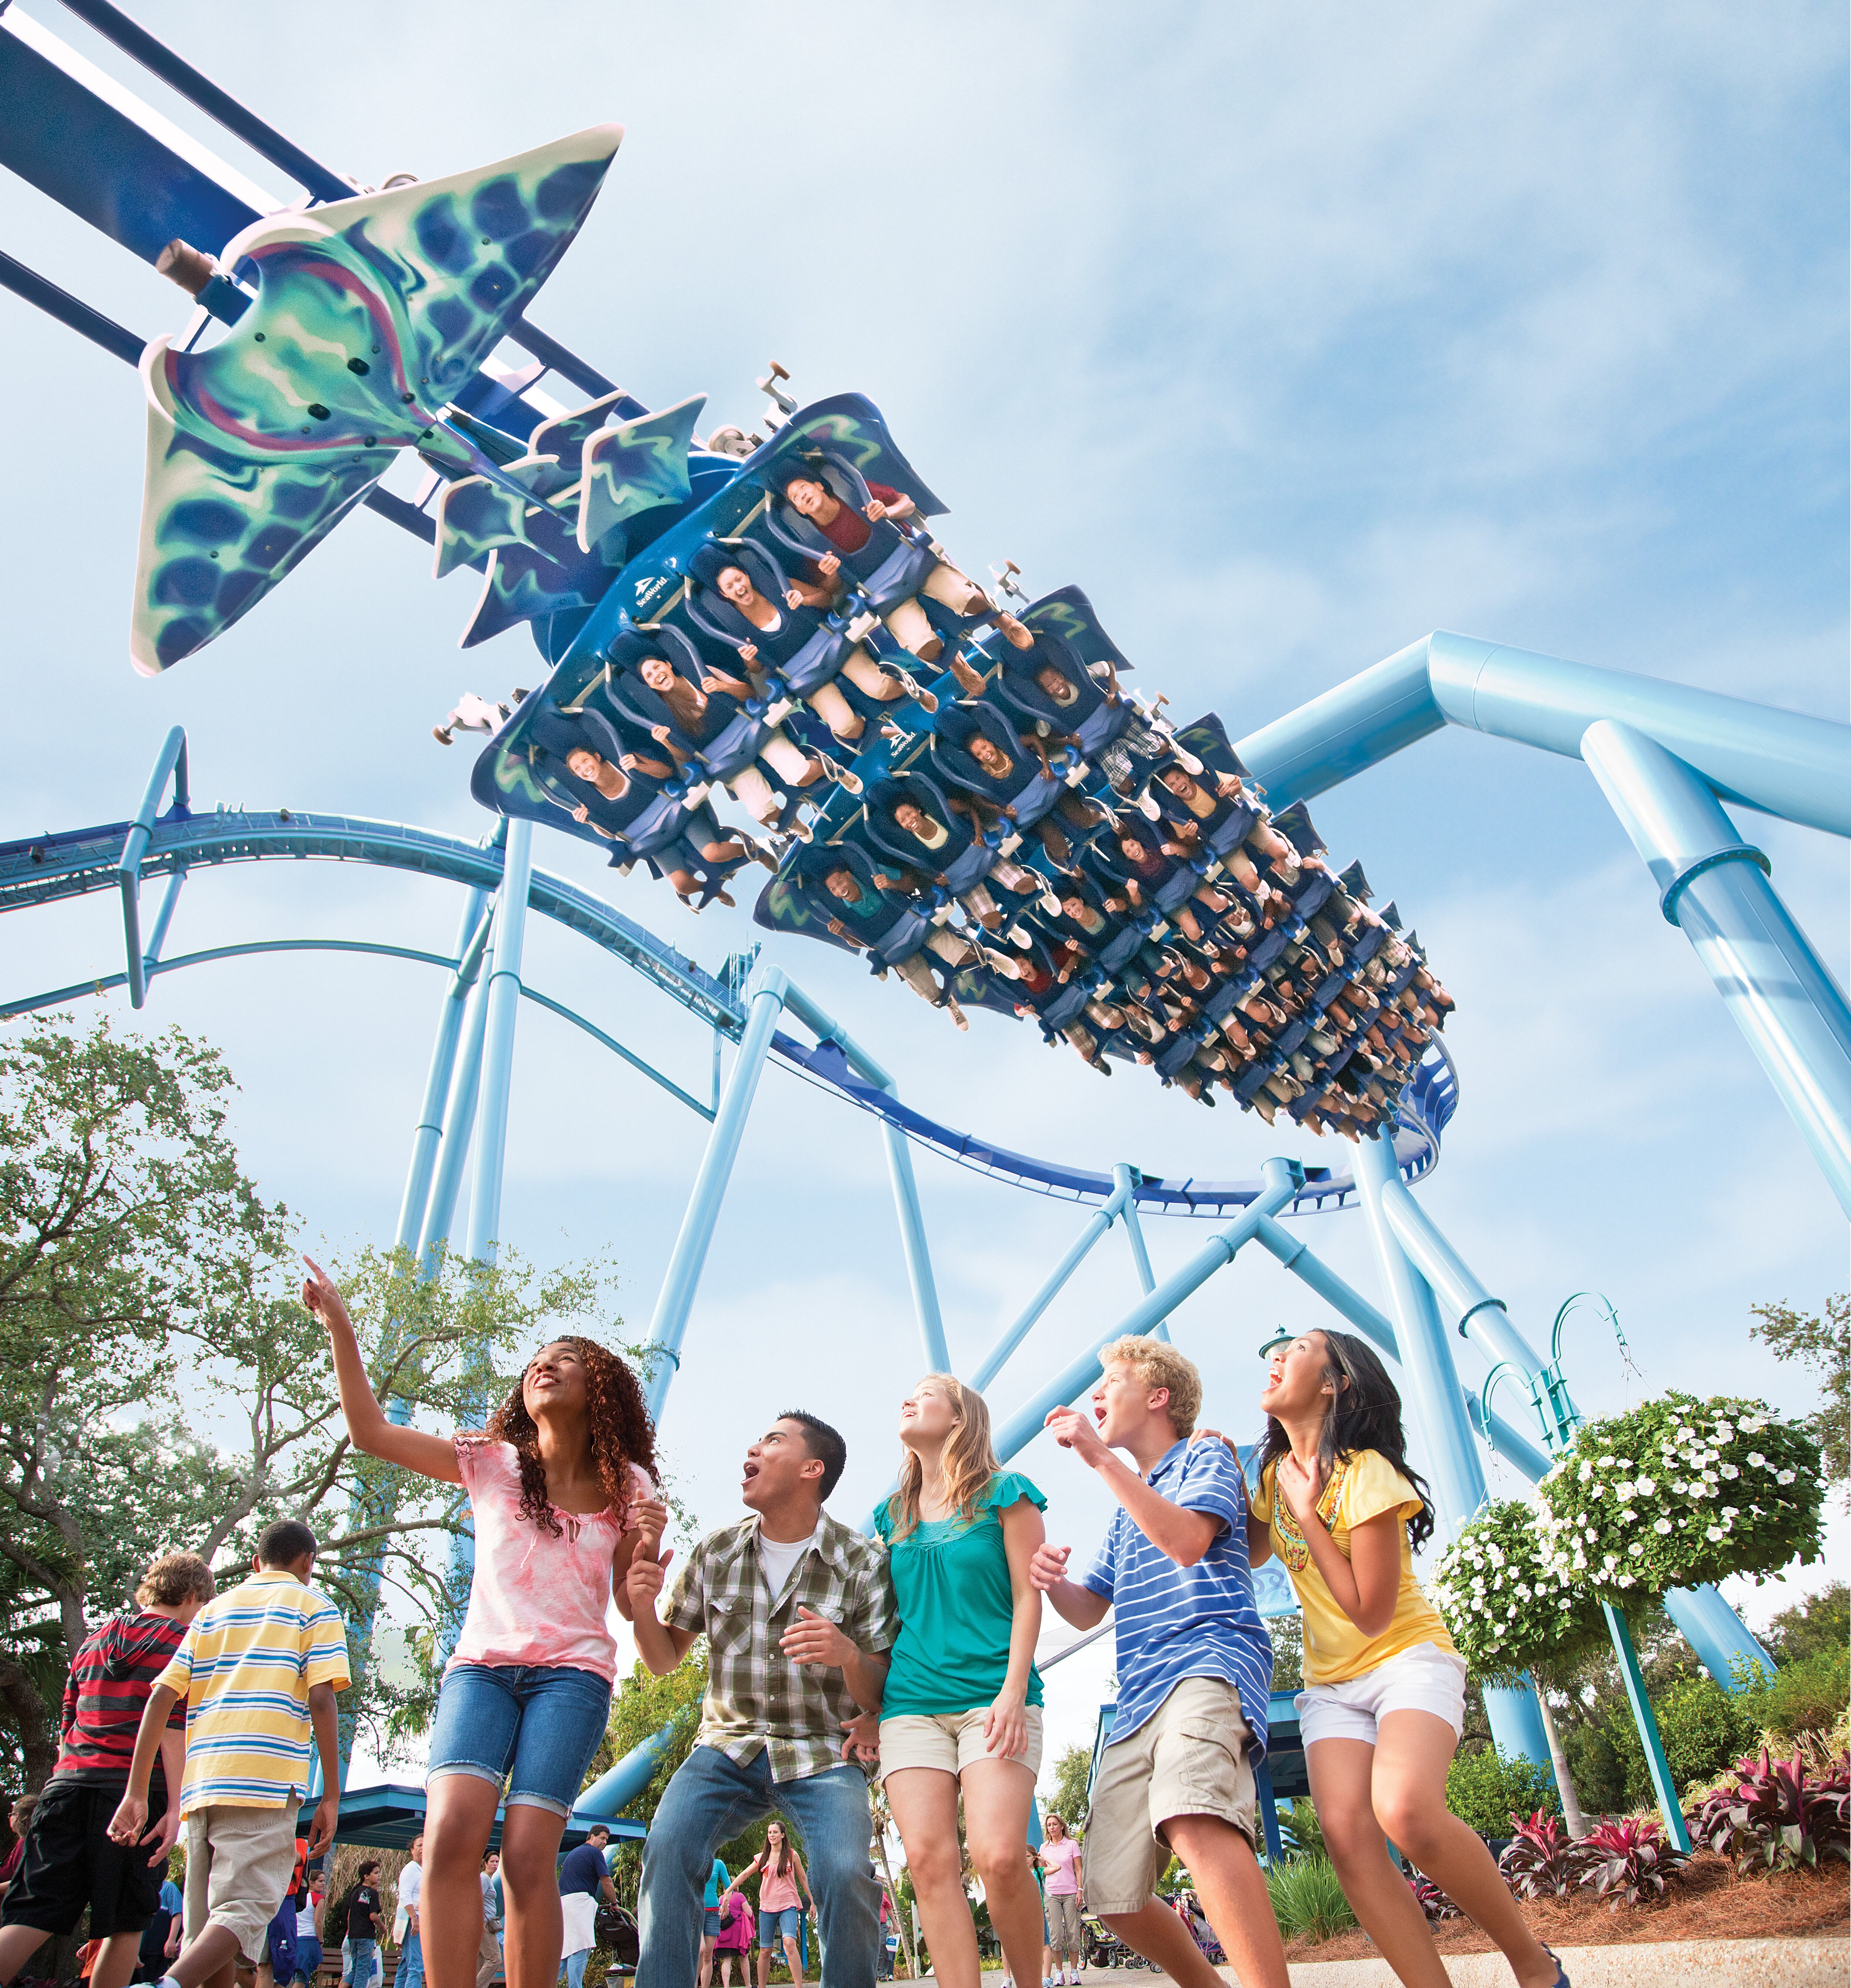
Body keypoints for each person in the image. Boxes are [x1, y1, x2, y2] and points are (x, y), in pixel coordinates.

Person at [303, 1260, 659, 1988]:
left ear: (602, 1391)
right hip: (482, 1672)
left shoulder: (631, 1487)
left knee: (530, 1854)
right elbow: (370, 1432)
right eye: (534, 1363)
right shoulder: (491, 1463)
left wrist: (647, 1551)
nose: (542, 1367)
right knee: (450, 1835)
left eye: (562, 1360)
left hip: (572, 1679)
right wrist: (341, 1325)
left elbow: (630, 1606)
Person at [1245, 1332, 1567, 1988]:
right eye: (1272, 1351)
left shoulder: (1368, 1472)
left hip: (1405, 1658)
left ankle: (1534, 1965)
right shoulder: (1275, 1477)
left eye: (1297, 1348)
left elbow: (1369, 1611)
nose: (1274, 1356)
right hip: (1332, 1684)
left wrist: (1309, 1519)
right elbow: (1248, 1551)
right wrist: (1215, 1465)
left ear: (1333, 1383)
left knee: (1406, 1811)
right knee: (1347, 1837)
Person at [1027, 1338, 1289, 1988]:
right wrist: (1049, 1578)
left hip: (1206, 1660)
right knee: (1111, 1891)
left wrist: (1094, 1456)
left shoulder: (1207, 1455)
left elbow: (1186, 1540)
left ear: (1158, 1396)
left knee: (1194, 1812)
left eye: (1110, 1382)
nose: (1096, 1395)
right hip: (1138, 1699)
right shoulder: (1127, 1510)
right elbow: (1088, 1609)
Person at [627, 1414, 896, 1988]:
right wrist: (642, 1603)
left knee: (847, 1872)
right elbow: (662, 1659)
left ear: (811, 1468)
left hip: (823, 1750)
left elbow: (879, 1690)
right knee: (668, 1848)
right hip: (728, 1744)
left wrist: (848, 1653)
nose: (753, 1445)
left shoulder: (862, 1561)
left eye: (773, 1439)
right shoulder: (716, 1550)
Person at [108, 1523, 348, 1988]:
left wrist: (137, 1790)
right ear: (307, 1565)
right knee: (248, 1906)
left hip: (203, 1782)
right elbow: (322, 1698)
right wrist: (331, 1795)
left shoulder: (211, 1612)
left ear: (257, 1563)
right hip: (265, 1779)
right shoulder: (315, 1606)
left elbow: (161, 1698)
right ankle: (168, 1986)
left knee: (208, 1929)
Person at [865, 1378, 1046, 1988]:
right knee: (927, 1862)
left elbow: (1029, 1597)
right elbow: (882, 1625)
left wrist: (1014, 1692)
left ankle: (1032, 1982)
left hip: (995, 1698)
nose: (908, 1399)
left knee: (998, 1858)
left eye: (926, 1394)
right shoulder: (888, 1517)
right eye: (907, 1393)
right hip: (910, 1704)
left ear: (959, 1418)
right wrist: (869, 1706)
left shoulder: (1007, 1495)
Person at [0, 1554, 217, 1988]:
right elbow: (172, 1728)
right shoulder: (185, 1641)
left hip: (67, 1787)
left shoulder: (93, 1642)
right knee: (127, 1921)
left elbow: (67, 1726)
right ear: (193, 1596)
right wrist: (175, 1809)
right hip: (135, 1794)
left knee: (33, 1910)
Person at [734, 1824, 809, 1988]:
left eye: (775, 1832)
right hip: (767, 1908)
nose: (772, 1835)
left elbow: (803, 1879)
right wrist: (729, 1890)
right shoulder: (763, 1857)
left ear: (783, 1835)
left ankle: (799, 1986)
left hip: (788, 1905)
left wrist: (813, 1902)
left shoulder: (792, 1855)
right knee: (765, 1951)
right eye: (769, 1833)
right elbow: (746, 1873)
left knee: (789, 1943)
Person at [558, 1828, 617, 1988]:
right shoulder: (595, 1853)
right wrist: (614, 1903)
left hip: (564, 1904)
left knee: (565, 1951)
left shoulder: (575, 1853)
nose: (605, 1842)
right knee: (580, 1948)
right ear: (592, 1837)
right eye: (602, 1838)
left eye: (607, 1840)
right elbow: (606, 1881)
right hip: (579, 1903)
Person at [1034, 1816, 1082, 1988]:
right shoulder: (1043, 1848)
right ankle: (1059, 1972)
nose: (1052, 1828)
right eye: (1049, 1825)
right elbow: (1040, 1871)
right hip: (1052, 1895)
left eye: (1055, 1824)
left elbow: (1079, 1869)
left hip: (1071, 1893)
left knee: (1073, 1933)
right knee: (1056, 1936)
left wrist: (1080, 1890)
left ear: (1062, 1826)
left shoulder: (1072, 1845)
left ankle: (1074, 1972)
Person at [338, 1863, 382, 1988]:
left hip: (353, 1936)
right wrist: (383, 1926)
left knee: (355, 1970)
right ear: (366, 1876)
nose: (379, 1876)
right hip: (366, 1936)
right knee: (363, 1972)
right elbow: (373, 1916)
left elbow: (350, 1915)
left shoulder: (355, 1892)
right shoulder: (372, 1893)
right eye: (376, 1873)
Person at [391, 1841, 422, 1988]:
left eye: (426, 1845)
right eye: (419, 1846)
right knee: (416, 1965)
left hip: (419, 1917)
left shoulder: (422, 1870)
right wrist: (413, 1918)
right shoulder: (411, 1869)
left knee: (406, 1965)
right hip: (413, 1920)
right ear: (412, 1850)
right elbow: (405, 1895)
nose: (423, 1848)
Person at [694, 1857, 728, 1988]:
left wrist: (726, 1901)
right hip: (696, 1911)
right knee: (700, 1950)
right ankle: (694, 1983)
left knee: (708, 1956)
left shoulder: (718, 1863)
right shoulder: (693, 1860)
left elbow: (729, 1886)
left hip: (713, 1913)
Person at [710, 1884, 752, 1988]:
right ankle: (748, 1986)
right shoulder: (740, 1897)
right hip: (738, 1934)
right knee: (744, 1958)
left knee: (727, 1960)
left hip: (724, 1933)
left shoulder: (721, 1899)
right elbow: (750, 1914)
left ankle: (726, 1986)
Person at [474, 1854, 501, 1988]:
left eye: (497, 1862)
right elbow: (476, 1900)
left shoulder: (488, 1879)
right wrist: (480, 1921)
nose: (495, 1864)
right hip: (485, 1924)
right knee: (495, 1959)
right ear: (485, 1864)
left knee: (481, 1960)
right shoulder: (484, 1878)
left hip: (487, 1923)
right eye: (492, 1862)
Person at [287, 1884, 321, 1988]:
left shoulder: (295, 1897)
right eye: (320, 1881)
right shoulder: (318, 1898)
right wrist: (321, 1940)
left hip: (295, 1939)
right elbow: (318, 1922)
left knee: (297, 1976)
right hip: (309, 1939)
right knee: (302, 1978)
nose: (323, 1884)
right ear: (312, 1882)